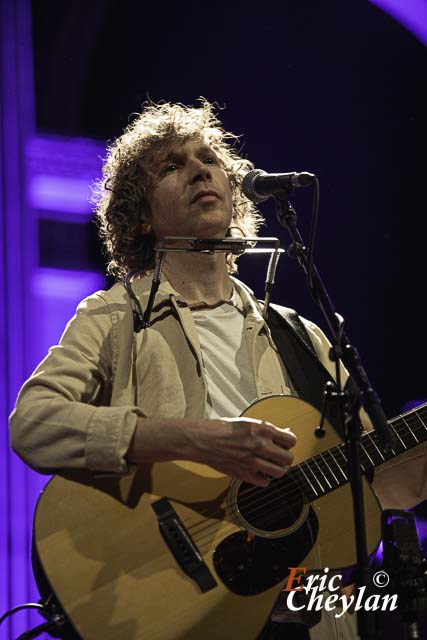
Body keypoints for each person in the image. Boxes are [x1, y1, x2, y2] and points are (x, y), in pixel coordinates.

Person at [9, 100, 427, 640]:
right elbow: (34, 424)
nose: (200, 169)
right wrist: (191, 440)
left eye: (209, 159)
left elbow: (373, 484)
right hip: (165, 609)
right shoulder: (113, 317)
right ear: (139, 215)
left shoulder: (302, 335)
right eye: (171, 165)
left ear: (233, 194)